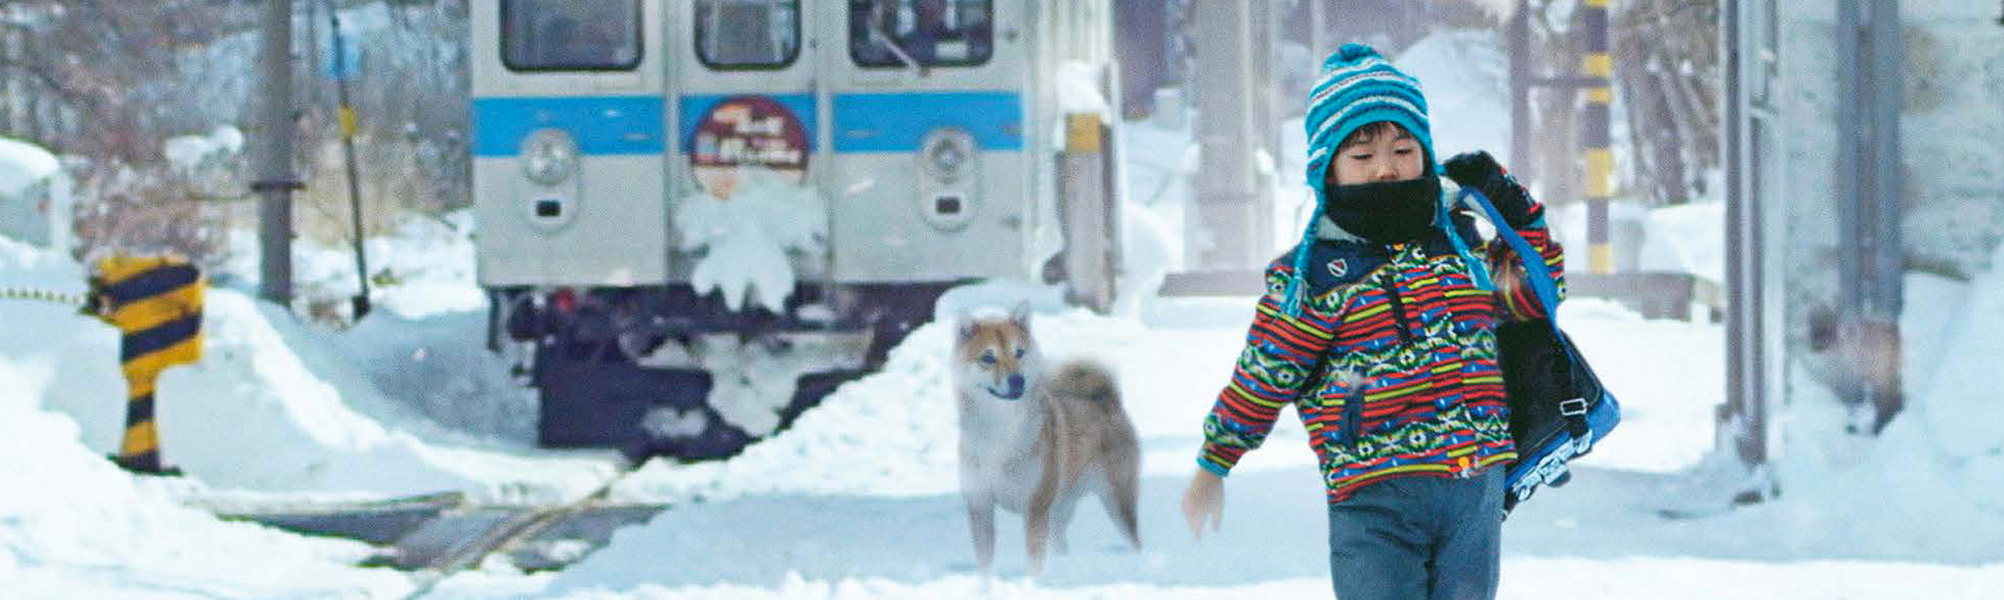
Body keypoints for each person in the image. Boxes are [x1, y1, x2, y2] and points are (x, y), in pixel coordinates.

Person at [1179, 43, 1564, 600]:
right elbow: (1266, 373)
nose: (1386, 167)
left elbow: (1536, 293)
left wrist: (1513, 207)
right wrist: (1215, 461)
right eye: (1362, 156)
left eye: (1403, 150)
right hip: (1374, 490)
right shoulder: (1314, 275)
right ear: (1328, 170)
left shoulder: (1460, 248)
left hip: (1474, 484)